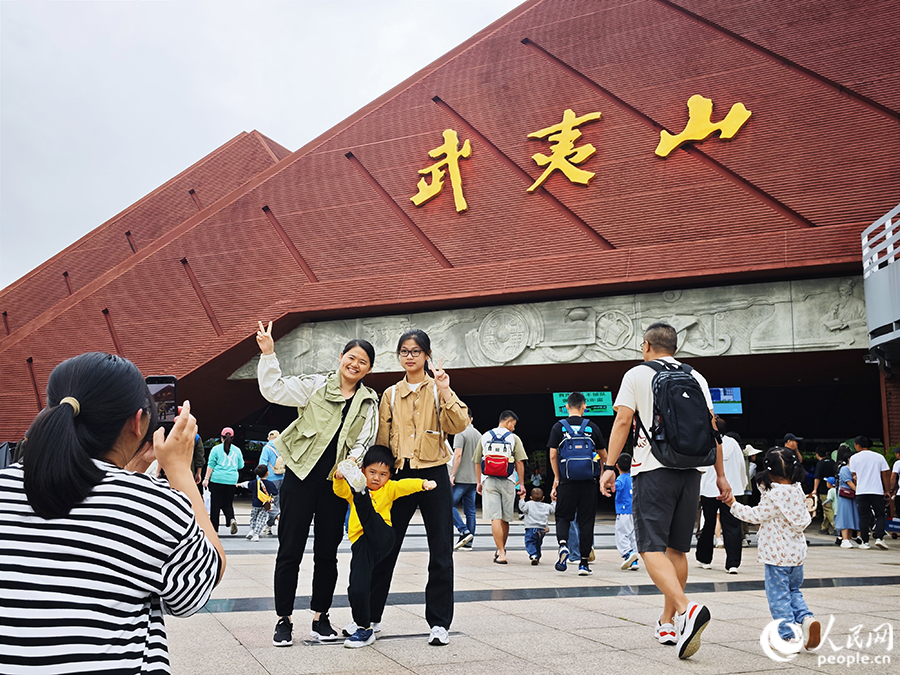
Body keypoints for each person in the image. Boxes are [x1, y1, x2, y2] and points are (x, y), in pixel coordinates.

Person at [0, 352, 223, 674]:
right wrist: (178, 468)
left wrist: (134, 465)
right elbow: (197, 587)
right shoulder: (154, 504)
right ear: (138, 421)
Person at [600, 322, 731, 660]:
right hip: (691, 472)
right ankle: (668, 621)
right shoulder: (696, 376)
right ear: (675, 346)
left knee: (649, 548)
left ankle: (687, 609)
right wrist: (720, 476)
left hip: (653, 470)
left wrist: (610, 467)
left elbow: (622, 421)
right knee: (677, 550)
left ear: (646, 346)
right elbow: (712, 429)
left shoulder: (636, 374)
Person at [256, 320, 379, 647]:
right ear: (340, 357)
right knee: (289, 550)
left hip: (333, 485)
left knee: (327, 553)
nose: (354, 364)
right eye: (350, 357)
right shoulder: (316, 386)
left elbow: (364, 440)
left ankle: (319, 617)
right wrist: (269, 354)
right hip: (298, 476)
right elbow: (275, 389)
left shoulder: (368, 401)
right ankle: (284, 619)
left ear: (368, 369)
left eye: (362, 362)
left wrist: (352, 462)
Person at [369, 329, 469, 647]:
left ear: (427, 355)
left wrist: (446, 389)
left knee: (441, 550)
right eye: (404, 351)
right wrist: (377, 479)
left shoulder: (439, 390)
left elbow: (459, 425)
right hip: (398, 477)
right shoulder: (390, 394)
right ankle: (370, 617)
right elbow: (382, 441)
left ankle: (439, 623)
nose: (409, 356)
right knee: (384, 546)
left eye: (415, 351)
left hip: (433, 476)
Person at [333, 446, 437, 648]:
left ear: (389, 476)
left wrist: (423, 483)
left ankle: (361, 493)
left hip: (383, 537)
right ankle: (364, 627)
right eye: (371, 472)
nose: (376, 478)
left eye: (383, 475)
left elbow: (406, 485)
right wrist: (338, 478)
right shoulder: (350, 491)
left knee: (362, 501)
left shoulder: (389, 489)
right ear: (362, 471)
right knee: (357, 587)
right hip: (362, 544)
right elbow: (339, 491)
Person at [725, 447, 821, 651]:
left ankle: (786, 635)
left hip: (777, 557)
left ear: (769, 471)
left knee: (778, 595)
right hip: (796, 556)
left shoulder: (773, 497)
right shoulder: (796, 490)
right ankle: (806, 619)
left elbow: (754, 516)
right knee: (793, 590)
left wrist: (732, 504)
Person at [548, 392, 607, 576]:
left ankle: (563, 544)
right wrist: (602, 476)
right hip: (589, 482)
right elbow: (604, 456)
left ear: (566, 407)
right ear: (584, 407)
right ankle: (583, 563)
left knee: (563, 517)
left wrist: (557, 480)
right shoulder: (592, 427)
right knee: (586, 521)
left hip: (567, 481)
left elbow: (552, 455)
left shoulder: (559, 427)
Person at [475, 410, 527, 564]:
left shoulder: (485, 436)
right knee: (505, 518)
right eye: (513, 425)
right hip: (508, 481)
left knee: (495, 517)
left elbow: (477, 461)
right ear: (508, 421)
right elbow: (520, 462)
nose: (514, 428)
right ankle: (502, 549)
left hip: (489, 480)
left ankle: (501, 551)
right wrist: (522, 483)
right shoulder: (514, 438)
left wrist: (479, 481)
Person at [696, 417, 747, 573]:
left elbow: (700, 468)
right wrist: (741, 485)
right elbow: (741, 466)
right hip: (731, 490)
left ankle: (705, 558)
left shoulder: (706, 442)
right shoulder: (734, 445)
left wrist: (698, 490)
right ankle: (733, 563)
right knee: (732, 526)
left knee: (709, 524)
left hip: (710, 490)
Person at [849, 435, 890, 550]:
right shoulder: (878, 457)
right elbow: (885, 474)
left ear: (857, 446)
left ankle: (865, 542)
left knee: (864, 516)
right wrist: (887, 490)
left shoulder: (854, 458)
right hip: (876, 490)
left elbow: (854, 475)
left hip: (861, 491)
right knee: (880, 515)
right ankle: (879, 538)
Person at [203, 427, 244, 535]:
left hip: (217, 479)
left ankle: (214, 528)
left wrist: (206, 478)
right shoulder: (237, 450)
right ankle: (231, 519)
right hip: (231, 480)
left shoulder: (215, 449)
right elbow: (241, 465)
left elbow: (210, 465)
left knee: (215, 504)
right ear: (233, 438)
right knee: (227, 503)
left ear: (221, 437)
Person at [450, 411, 480, 550]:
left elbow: (458, 455)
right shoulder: (479, 435)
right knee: (471, 511)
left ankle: (463, 531)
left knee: (448, 504)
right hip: (474, 478)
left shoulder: (460, 433)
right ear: (472, 419)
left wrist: (452, 474)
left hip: (461, 477)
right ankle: (469, 543)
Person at [238, 464, 279, 542]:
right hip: (264, 505)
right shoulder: (270, 484)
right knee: (261, 520)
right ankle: (256, 534)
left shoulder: (254, 482)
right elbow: (275, 493)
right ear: (267, 473)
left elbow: (246, 484)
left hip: (255, 504)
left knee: (253, 518)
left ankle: (251, 530)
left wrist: (239, 484)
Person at [615, 453, 640, 571]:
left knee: (621, 534)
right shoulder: (633, 478)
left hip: (623, 511)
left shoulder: (621, 479)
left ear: (617, 466)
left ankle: (627, 553)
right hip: (633, 511)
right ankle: (634, 559)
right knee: (633, 535)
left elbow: (616, 487)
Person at [520, 487, 555, 564]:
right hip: (542, 529)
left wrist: (522, 499)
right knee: (538, 543)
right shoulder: (547, 506)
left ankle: (533, 555)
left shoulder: (528, 504)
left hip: (531, 528)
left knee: (530, 542)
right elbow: (553, 510)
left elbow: (522, 508)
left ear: (531, 497)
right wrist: (553, 501)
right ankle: (537, 556)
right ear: (543, 498)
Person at [259, 429, 285, 533]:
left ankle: (277, 518)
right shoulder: (283, 448)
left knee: (268, 502)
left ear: (269, 438)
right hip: (282, 478)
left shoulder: (267, 448)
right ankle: (269, 526)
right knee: (276, 502)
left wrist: (259, 478)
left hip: (269, 479)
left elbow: (263, 463)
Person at [835, 444, 859, 548]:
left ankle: (848, 538)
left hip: (852, 496)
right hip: (845, 495)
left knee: (852, 516)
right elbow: (849, 482)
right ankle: (844, 539)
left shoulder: (855, 470)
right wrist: (858, 491)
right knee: (845, 515)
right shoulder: (844, 469)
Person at [812, 446, 835, 531]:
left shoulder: (820, 463)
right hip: (833, 488)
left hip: (823, 489)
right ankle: (824, 528)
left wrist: (815, 489)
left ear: (817, 455)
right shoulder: (832, 462)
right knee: (828, 508)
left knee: (827, 509)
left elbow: (817, 477)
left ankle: (837, 527)